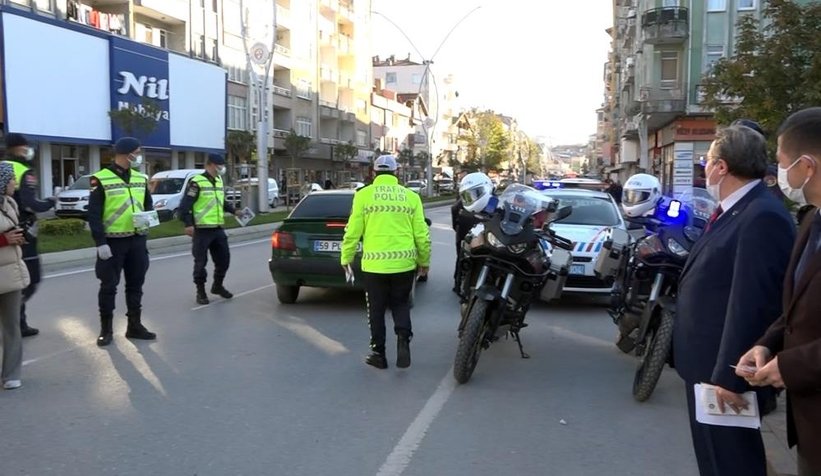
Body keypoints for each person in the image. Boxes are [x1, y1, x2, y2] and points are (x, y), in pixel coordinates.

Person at [673, 125, 796, 476]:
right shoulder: (736, 209)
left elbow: (752, 301)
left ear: (721, 167)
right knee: (714, 459)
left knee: (732, 463)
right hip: (706, 365)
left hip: (723, 372)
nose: (705, 169)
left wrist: (731, 377)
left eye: (707, 161)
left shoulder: (762, 216)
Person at [736, 107, 821, 476]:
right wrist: (768, 344)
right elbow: (798, 304)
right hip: (810, 424)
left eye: (782, 162)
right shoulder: (811, 220)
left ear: (807, 166)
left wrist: (789, 366)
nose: (778, 173)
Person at [340, 154, 431, 370]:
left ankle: (378, 354)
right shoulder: (411, 197)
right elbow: (422, 234)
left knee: (376, 310)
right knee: (400, 304)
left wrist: (346, 256)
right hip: (404, 264)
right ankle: (403, 341)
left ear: (373, 172)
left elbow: (353, 230)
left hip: (374, 266)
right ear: (396, 172)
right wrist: (424, 261)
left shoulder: (363, 196)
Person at [88, 137, 156, 347]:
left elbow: (147, 205)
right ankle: (106, 329)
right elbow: (94, 214)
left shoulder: (140, 178)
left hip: (136, 240)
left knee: (136, 285)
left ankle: (134, 325)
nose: (139, 155)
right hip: (113, 242)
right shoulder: (100, 179)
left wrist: (149, 222)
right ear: (127, 153)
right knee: (109, 286)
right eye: (137, 151)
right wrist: (100, 242)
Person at [1, 133, 55, 337]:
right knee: (29, 279)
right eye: (26, 147)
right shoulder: (24, 171)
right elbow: (30, 203)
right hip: (23, 232)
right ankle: (14, 320)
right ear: (19, 148)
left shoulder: (2, 166)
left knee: (14, 277)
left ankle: (19, 323)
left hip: (6, 227)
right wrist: (51, 201)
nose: (28, 151)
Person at [178, 153, 241, 305]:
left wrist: (234, 211)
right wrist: (188, 224)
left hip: (217, 228)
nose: (222, 168)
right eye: (220, 165)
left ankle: (217, 286)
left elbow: (221, 202)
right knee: (200, 262)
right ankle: (200, 292)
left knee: (224, 260)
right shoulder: (197, 182)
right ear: (212, 165)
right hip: (202, 230)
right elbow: (185, 206)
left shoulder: (219, 180)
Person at [0, 163, 29, 389]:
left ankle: (11, 374)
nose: (14, 183)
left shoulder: (10, 203)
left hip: (11, 272)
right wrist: (4, 240)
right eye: (11, 179)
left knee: (12, 325)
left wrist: (20, 237)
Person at [451, 172, 493, 293]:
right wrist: (458, 229)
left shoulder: (493, 201)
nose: (471, 197)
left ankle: (460, 283)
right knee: (462, 255)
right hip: (466, 232)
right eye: (468, 194)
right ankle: (458, 283)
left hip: (484, 234)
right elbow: (455, 211)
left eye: (476, 193)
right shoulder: (461, 204)